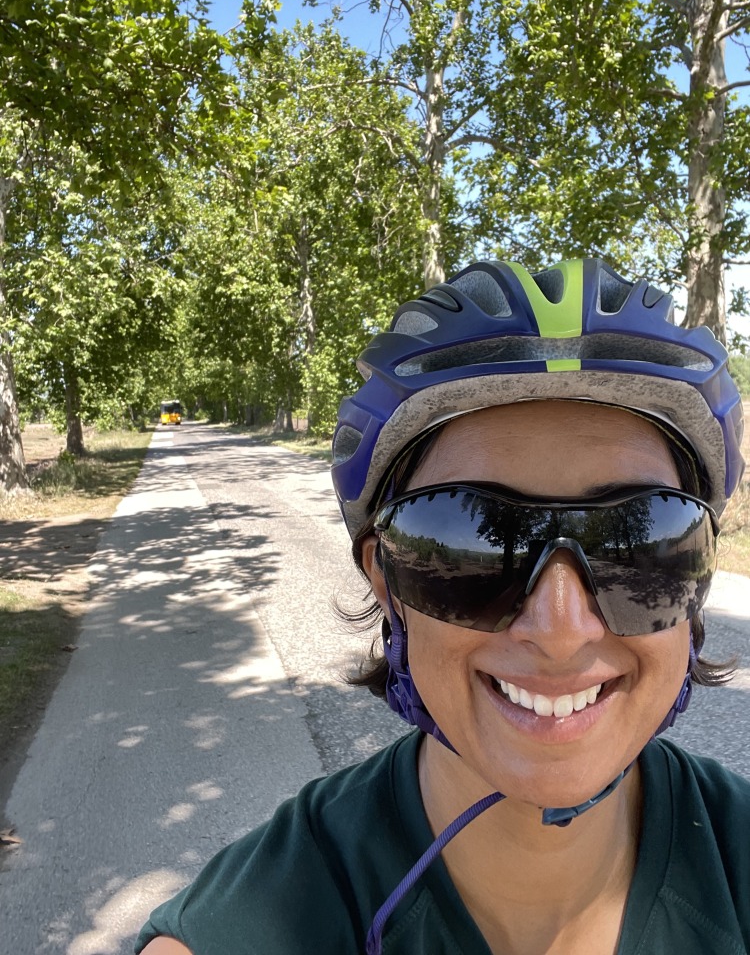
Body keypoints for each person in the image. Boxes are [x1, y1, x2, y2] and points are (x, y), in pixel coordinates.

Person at [136, 258, 750, 955]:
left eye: (642, 542)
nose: (559, 631)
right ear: (385, 584)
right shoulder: (268, 917)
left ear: (697, 583)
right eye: (473, 546)